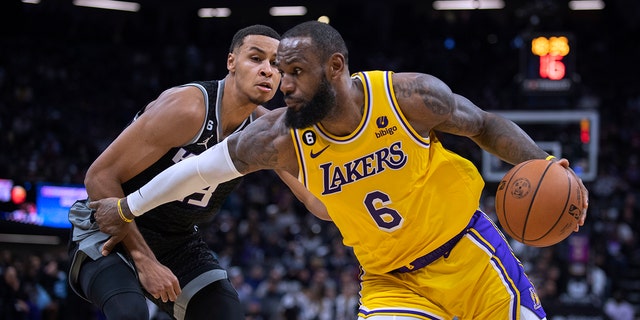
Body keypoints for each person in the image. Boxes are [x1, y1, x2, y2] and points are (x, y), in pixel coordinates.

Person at [91, 21, 590, 320]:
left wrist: (544, 165)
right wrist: (127, 206)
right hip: (391, 281)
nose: (283, 84)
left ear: (335, 67)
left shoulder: (407, 97)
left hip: (469, 254)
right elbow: (200, 171)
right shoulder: (278, 135)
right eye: (281, 73)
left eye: (296, 73)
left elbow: (484, 126)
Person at [67, 24, 285, 320]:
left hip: (176, 240)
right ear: (231, 62)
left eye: (276, 64)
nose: (267, 70)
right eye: (256, 58)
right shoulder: (189, 108)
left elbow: (314, 197)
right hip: (111, 227)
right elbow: (99, 177)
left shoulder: (263, 132)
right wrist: (145, 261)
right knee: (130, 313)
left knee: (226, 313)